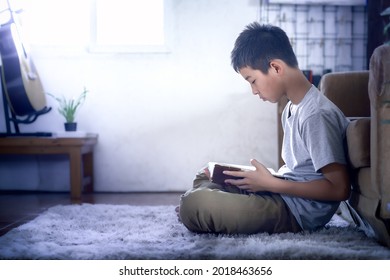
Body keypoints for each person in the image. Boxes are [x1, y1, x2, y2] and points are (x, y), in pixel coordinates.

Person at [177, 22, 350, 234]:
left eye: (253, 81)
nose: (253, 91)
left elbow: (339, 189)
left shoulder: (316, 115)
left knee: (195, 204)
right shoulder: (292, 109)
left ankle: (198, 208)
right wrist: (269, 180)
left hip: (294, 212)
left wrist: (271, 184)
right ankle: (203, 205)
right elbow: (298, 173)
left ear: (276, 68)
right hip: (282, 192)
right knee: (205, 176)